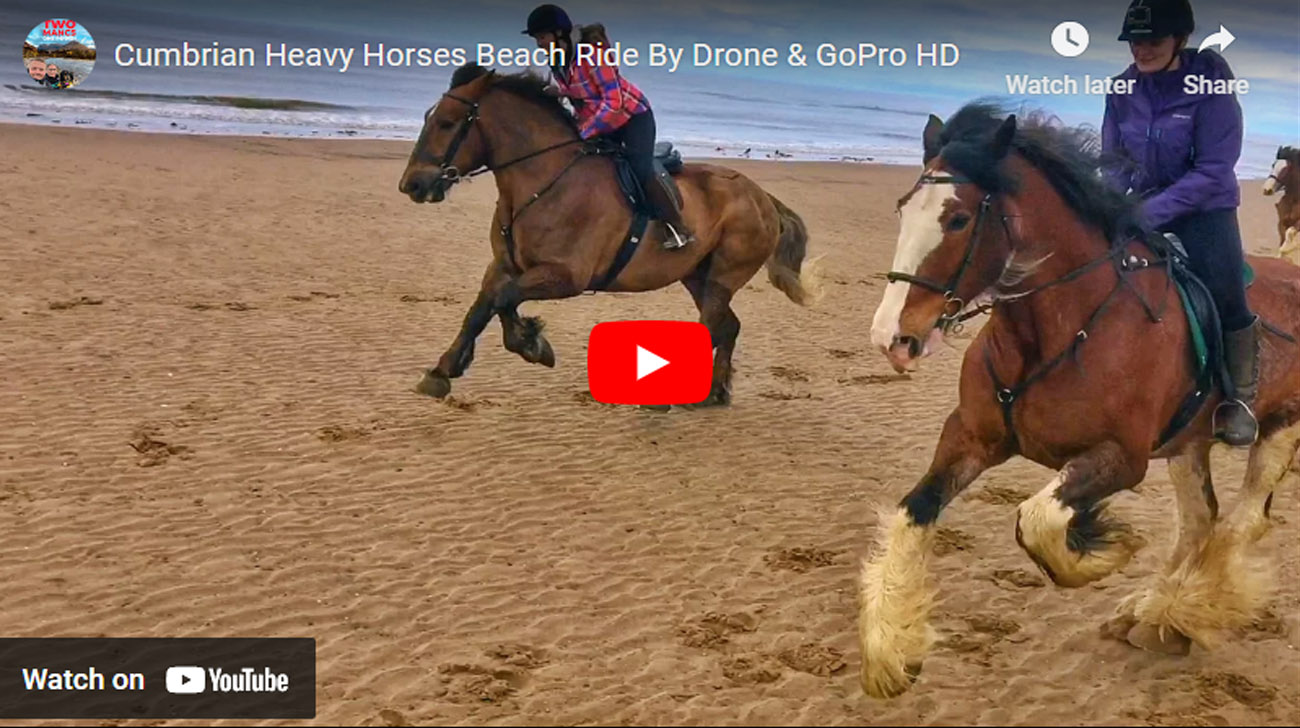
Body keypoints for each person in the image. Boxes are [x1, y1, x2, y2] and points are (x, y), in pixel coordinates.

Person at [1101, 0, 1259, 446]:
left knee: (1227, 291)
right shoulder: (1120, 89)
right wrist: (1111, 203)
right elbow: (1113, 162)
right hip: (1140, 203)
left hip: (1206, 209)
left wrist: (1146, 213)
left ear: (1181, 40)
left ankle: (1238, 400)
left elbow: (1213, 170)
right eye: (1135, 41)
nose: (1142, 50)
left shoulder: (1210, 88)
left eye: (1153, 41)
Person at [523, 3, 694, 250]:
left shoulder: (591, 55)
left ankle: (678, 227)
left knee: (640, 168)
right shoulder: (558, 59)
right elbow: (582, 92)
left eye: (541, 37)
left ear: (559, 33)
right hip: (601, 121)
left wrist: (584, 131)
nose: (538, 43)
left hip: (633, 116)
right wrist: (559, 91)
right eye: (536, 38)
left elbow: (613, 102)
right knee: (588, 165)